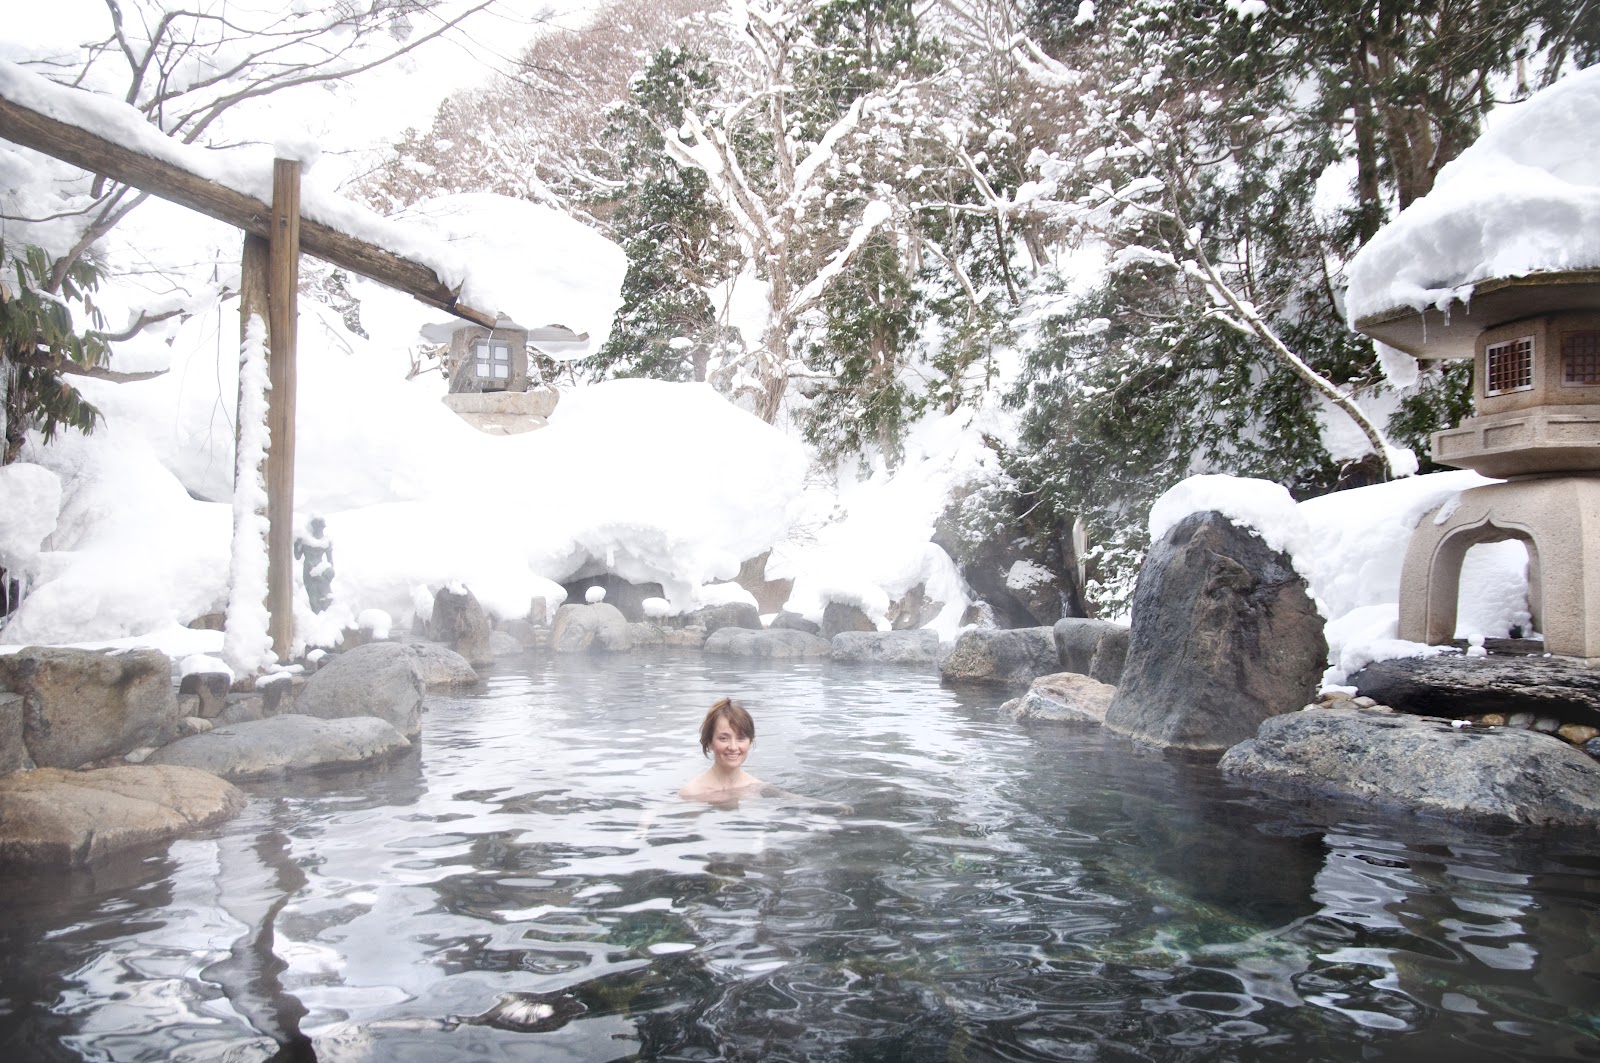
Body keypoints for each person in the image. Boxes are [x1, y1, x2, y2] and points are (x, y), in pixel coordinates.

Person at [679, 697, 763, 801]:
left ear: (750, 743)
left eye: (741, 738)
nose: (733, 747)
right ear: (709, 742)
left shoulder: (758, 788)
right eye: (723, 738)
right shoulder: (691, 794)